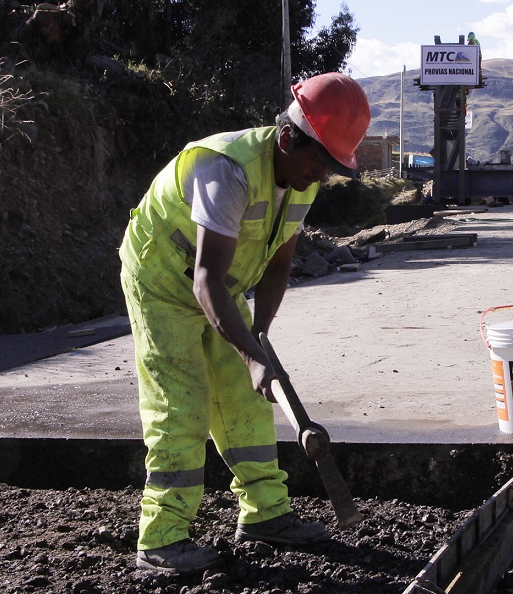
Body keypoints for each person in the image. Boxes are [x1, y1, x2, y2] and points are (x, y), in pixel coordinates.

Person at [118, 72, 371, 574]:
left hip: (222, 287)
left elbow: (278, 265)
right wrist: (254, 357)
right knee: (181, 404)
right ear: (286, 137)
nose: (321, 176)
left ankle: (266, 515)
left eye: (331, 167)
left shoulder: (300, 180)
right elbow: (204, 278)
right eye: (319, 162)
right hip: (165, 280)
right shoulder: (227, 170)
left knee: (245, 398)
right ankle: (162, 538)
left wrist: (260, 340)